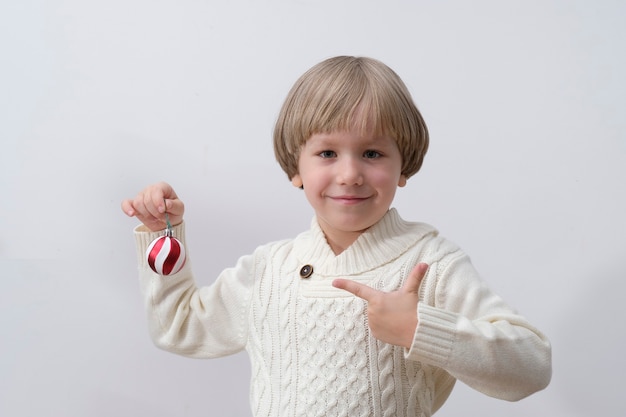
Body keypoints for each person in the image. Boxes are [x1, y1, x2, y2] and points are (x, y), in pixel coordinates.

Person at [121, 56, 551, 417]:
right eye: (327, 153)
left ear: (404, 166)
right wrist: (164, 236)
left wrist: (422, 327)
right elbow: (178, 328)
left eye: (372, 153)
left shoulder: (429, 264)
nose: (349, 174)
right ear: (296, 168)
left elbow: (531, 365)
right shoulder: (270, 269)